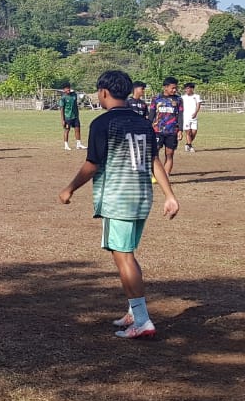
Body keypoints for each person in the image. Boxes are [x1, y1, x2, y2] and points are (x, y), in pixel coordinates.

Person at [59, 70, 179, 340]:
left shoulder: (103, 124)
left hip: (119, 197)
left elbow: (92, 164)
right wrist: (169, 195)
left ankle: (142, 320)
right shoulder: (143, 123)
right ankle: (133, 312)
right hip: (141, 197)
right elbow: (154, 161)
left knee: (124, 256)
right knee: (125, 253)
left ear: (103, 92)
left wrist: (69, 189)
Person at [148, 76, 184, 177]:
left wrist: (180, 130)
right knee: (155, 153)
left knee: (169, 154)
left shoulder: (178, 100)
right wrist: (147, 126)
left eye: (176, 88)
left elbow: (180, 115)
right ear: (165, 87)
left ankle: (166, 175)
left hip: (172, 131)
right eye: (172, 88)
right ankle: (156, 174)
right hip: (157, 130)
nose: (175, 90)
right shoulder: (156, 99)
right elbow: (151, 114)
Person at [60, 82, 85, 151]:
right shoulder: (63, 98)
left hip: (75, 116)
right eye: (66, 89)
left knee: (77, 129)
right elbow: (62, 109)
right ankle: (66, 145)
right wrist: (63, 120)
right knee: (67, 130)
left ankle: (78, 144)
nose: (68, 90)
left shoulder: (74, 95)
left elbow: (76, 104)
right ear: (64, 90)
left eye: (69, 88)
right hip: (67, 117)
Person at [181, 82, 202, 152]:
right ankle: (190, 146)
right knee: (188, 132)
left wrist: (196, 113)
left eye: (188, 88)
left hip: (194, 117)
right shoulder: (182, 97)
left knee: (194, 132)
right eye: (185, 88)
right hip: (185, 117)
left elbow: (198, 105)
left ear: (192, 89)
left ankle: (187, 144)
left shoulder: (196, 96)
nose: (186, 90)